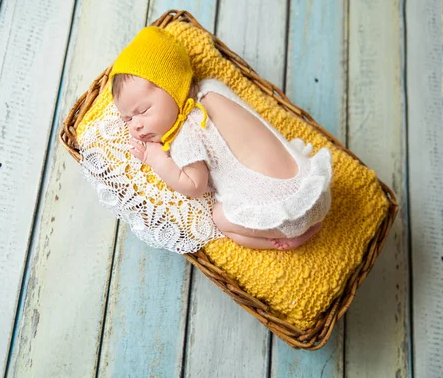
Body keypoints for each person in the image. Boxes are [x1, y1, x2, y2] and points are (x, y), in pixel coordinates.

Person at [109, 26, 332, 250]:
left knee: (220, 218)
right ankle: (306, 226)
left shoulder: (187, 132)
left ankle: (282, 242)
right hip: (314, 186)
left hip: (282, 216)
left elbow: (194, 185)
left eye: (143, 110)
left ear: (173, 88)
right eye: (127, 120)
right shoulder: (212, 88)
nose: (136, 125)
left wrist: (155, 158)